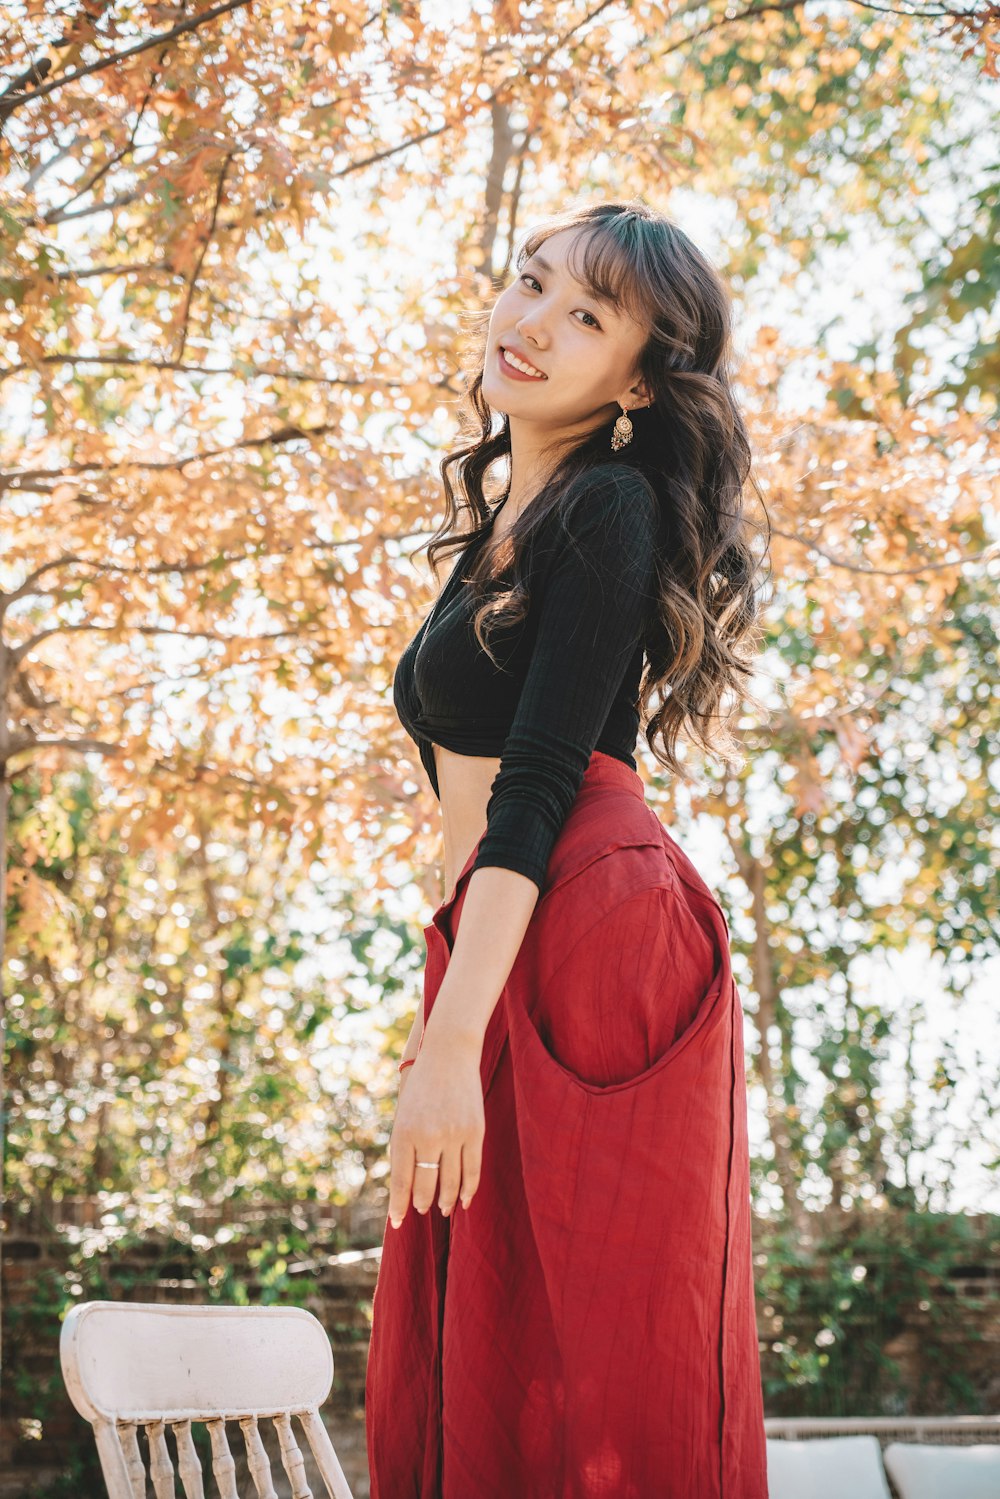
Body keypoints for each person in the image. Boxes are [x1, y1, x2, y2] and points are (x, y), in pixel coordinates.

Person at [366, 197, 771, 1498]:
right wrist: (448, 1006)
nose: (531, 321)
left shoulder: (606, 506)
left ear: (641, 381)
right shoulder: (506, 522)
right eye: (530, 282)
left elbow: (538, 782)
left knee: (590, 1368)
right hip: (503, 924)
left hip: (587, 923)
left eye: (584, 315)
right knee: (484, 1340)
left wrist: (448, 1044)